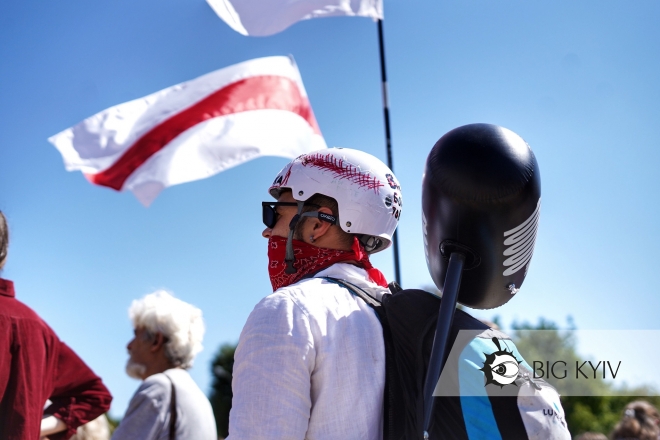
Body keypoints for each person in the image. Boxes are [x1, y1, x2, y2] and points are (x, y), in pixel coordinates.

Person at [228, 148, 402, 439]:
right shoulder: (399, 314)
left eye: (274, 214)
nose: (266, 232)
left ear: (318, 224)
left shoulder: (287, 311)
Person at [0, 211, 113, 439]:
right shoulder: (36, 327)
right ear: (4, 253)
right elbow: (94, 395)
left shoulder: (35, 327)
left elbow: (94, 395)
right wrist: (31, 428)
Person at [112, 290, 216, 440]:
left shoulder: (159, 388)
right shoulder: (201, 399)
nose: (129, 345)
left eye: (136, 334)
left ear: (156, 341)